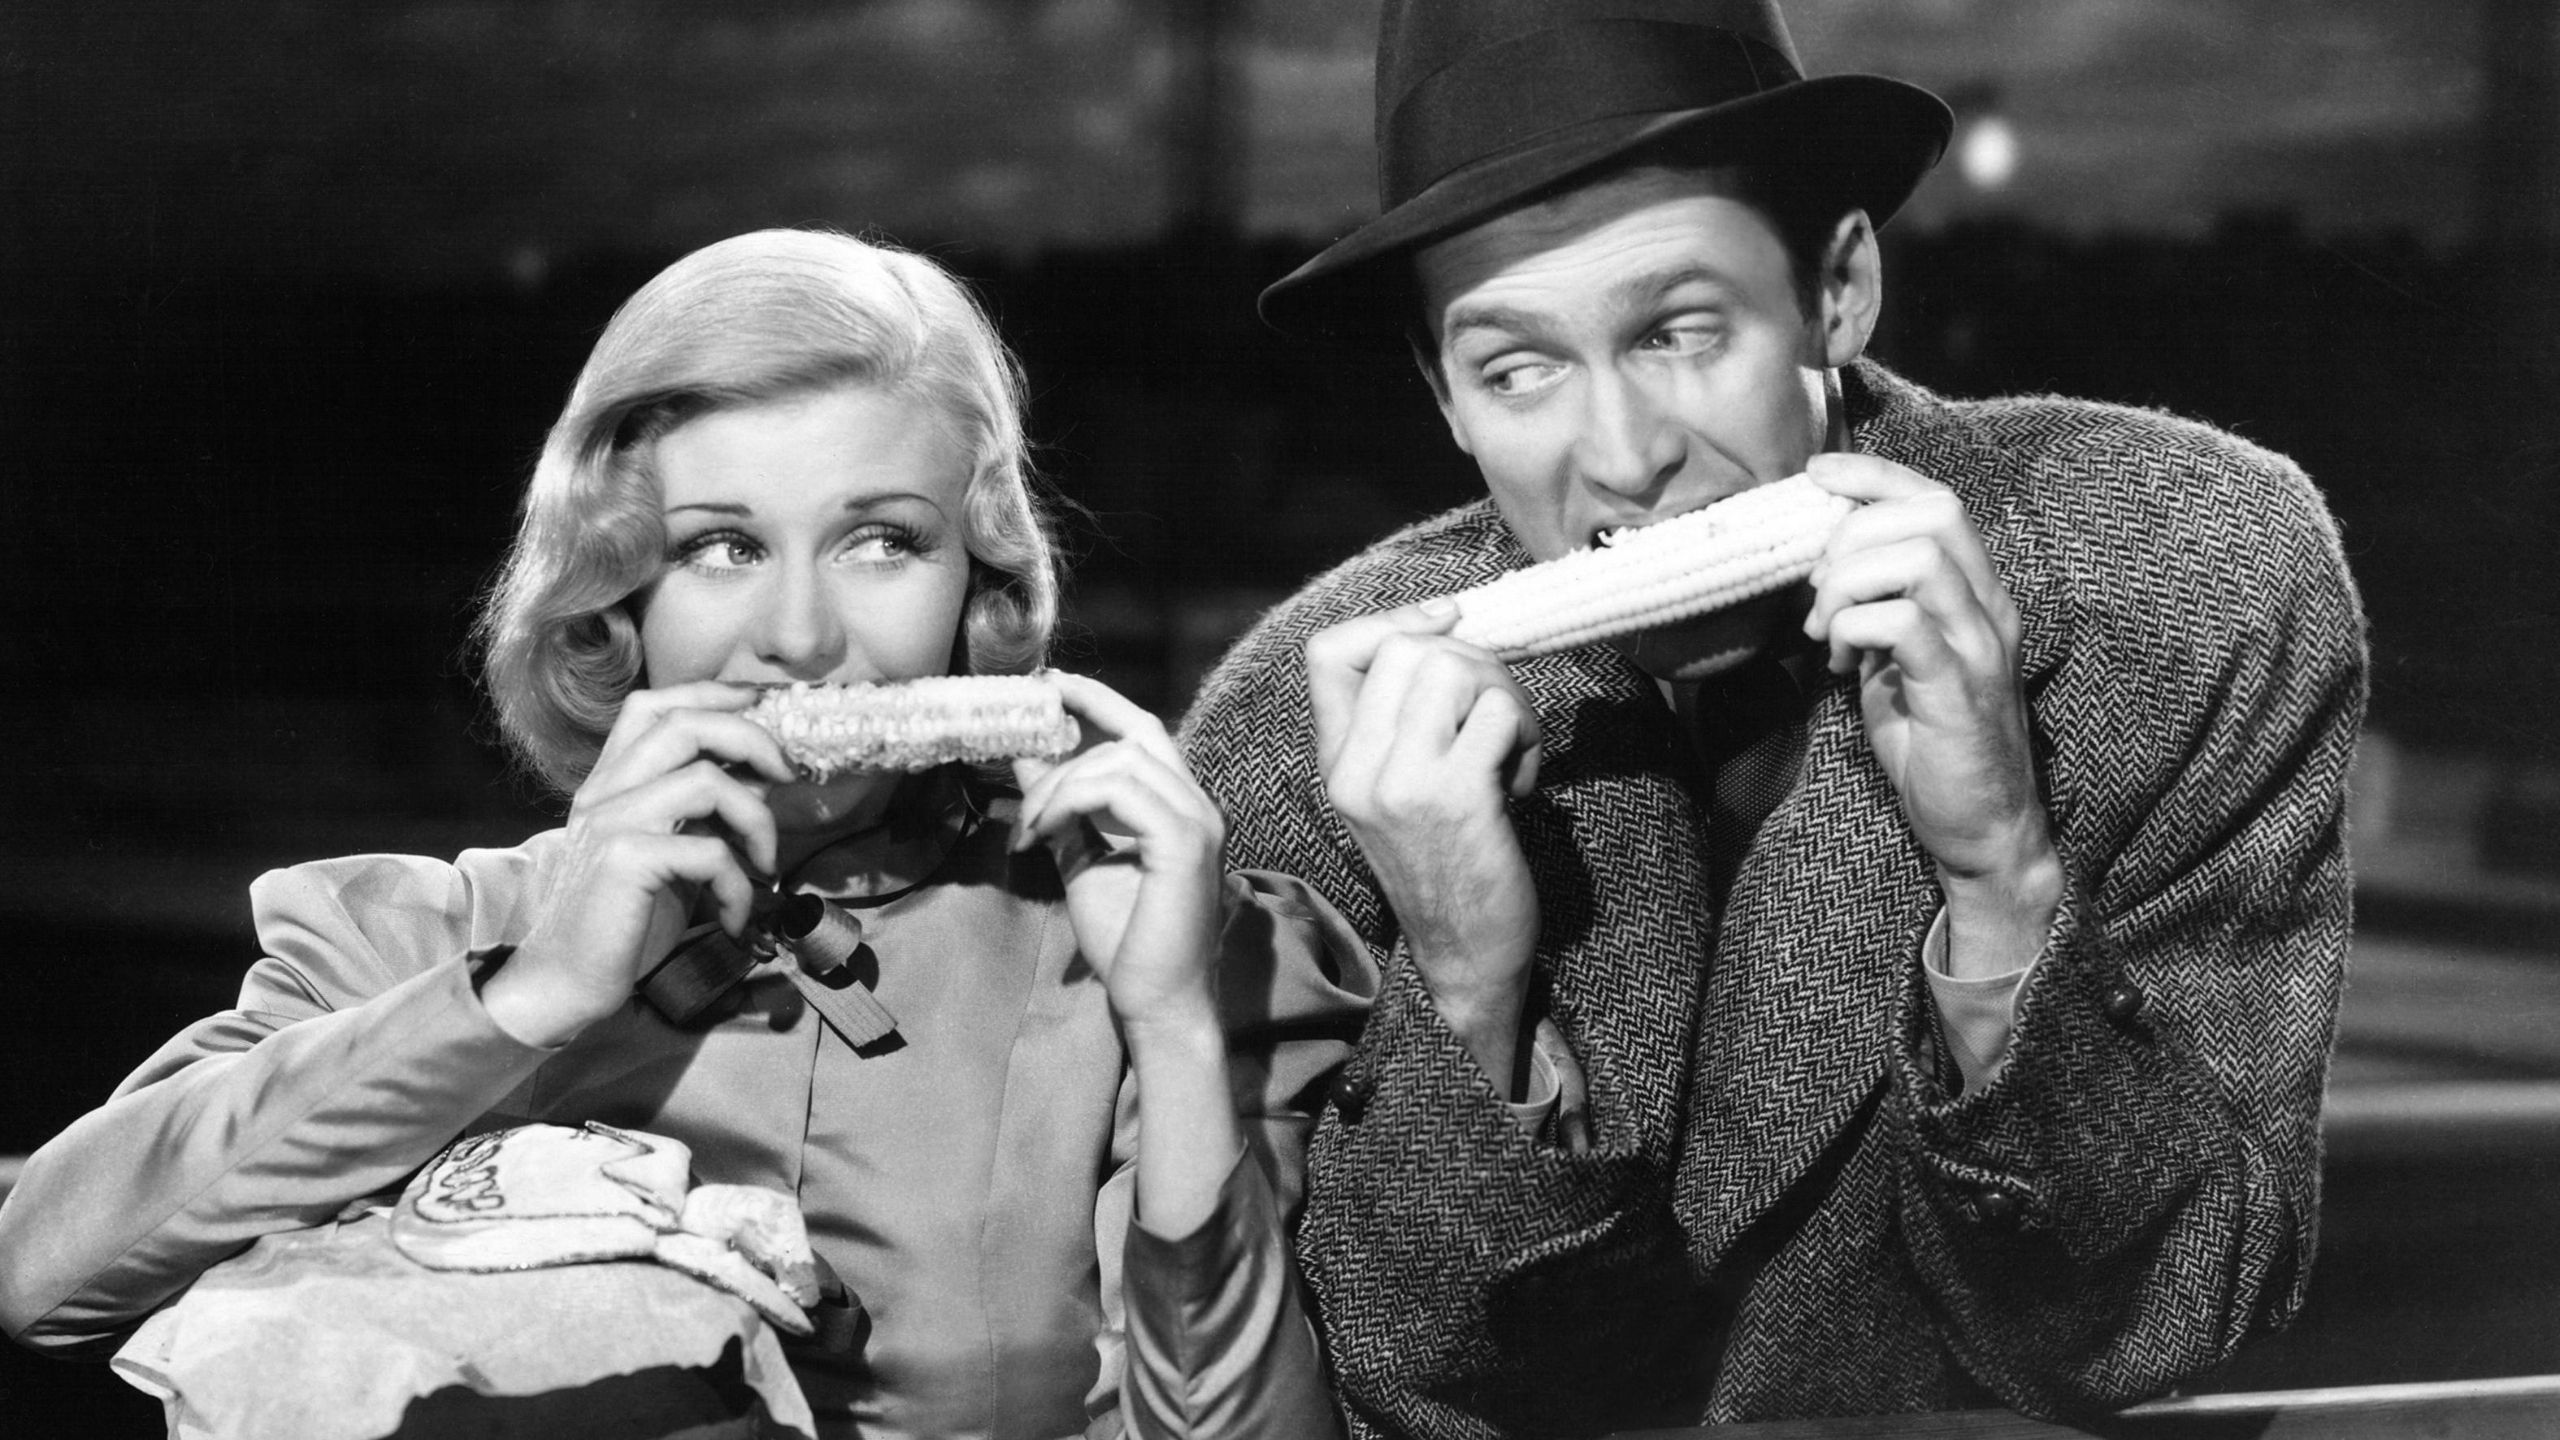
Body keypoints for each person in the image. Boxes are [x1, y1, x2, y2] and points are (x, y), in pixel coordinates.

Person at [1178, 2, 2369, 1436]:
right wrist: (1468, 992)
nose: (1624, 458)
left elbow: (2147, 1326)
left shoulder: (2187, 584)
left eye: (1682, 329)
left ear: (1840, 289)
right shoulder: (1298, 733)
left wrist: (2001, 878)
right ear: (1443, 397)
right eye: (1518, 369)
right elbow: (1389, 1386)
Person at [0, 228, 1364, 1440]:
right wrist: (535, 996)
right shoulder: (420, 937)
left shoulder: (1139, 944)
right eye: (721, 547)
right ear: (615, 595)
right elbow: (41, 1277)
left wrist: (1174, 1023)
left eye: (880, 540)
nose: (798, 638)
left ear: (979, 585)